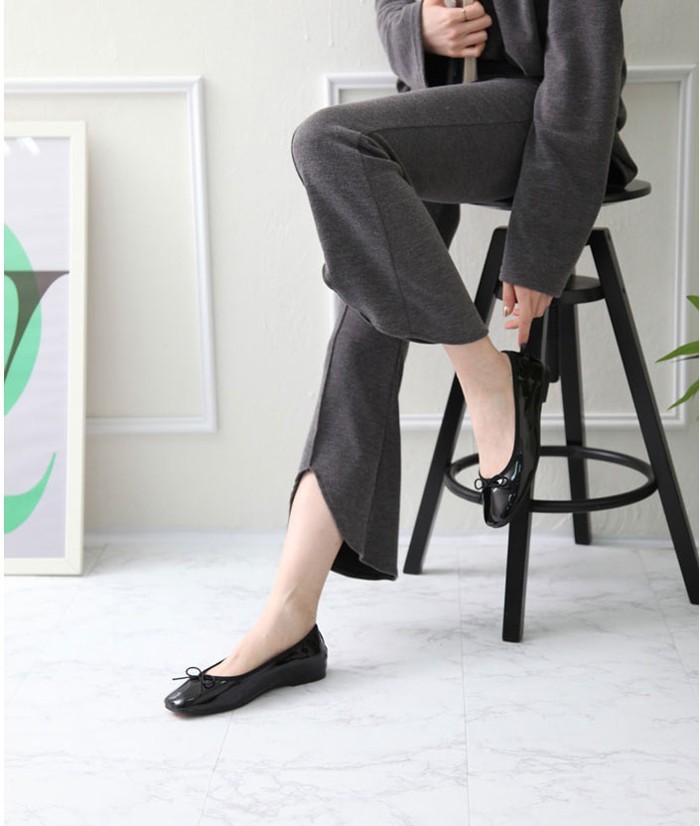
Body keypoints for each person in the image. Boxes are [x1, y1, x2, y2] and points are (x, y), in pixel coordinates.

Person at [164, 0, 637, 716]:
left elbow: (584, 73)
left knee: (330, 140)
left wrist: (541, 245)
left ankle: (488, 380)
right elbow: (393, 7)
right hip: (438, 102)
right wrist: (416, 27)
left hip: (544, 117)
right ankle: (289, 617)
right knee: (367, 295)